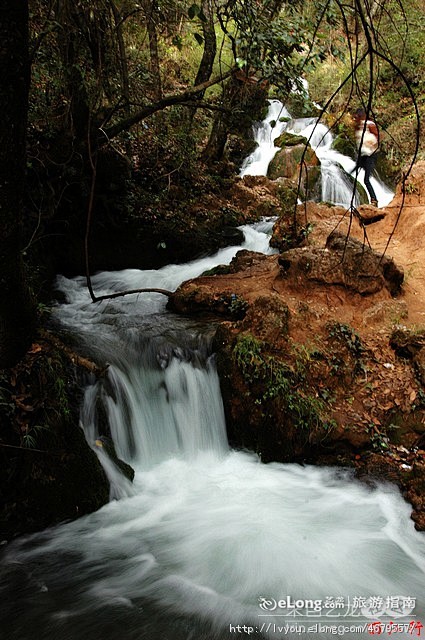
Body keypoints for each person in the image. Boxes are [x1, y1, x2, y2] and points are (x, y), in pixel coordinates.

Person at [353, 108, 379, 206]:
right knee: (353, 172)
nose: (354, 120)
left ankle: (374, 200)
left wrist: (372, 146)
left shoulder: (369, 125)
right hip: (363, 156)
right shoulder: (358, 128)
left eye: (356, 117)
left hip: (370, 155)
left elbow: (377, 138)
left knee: (366, 180)